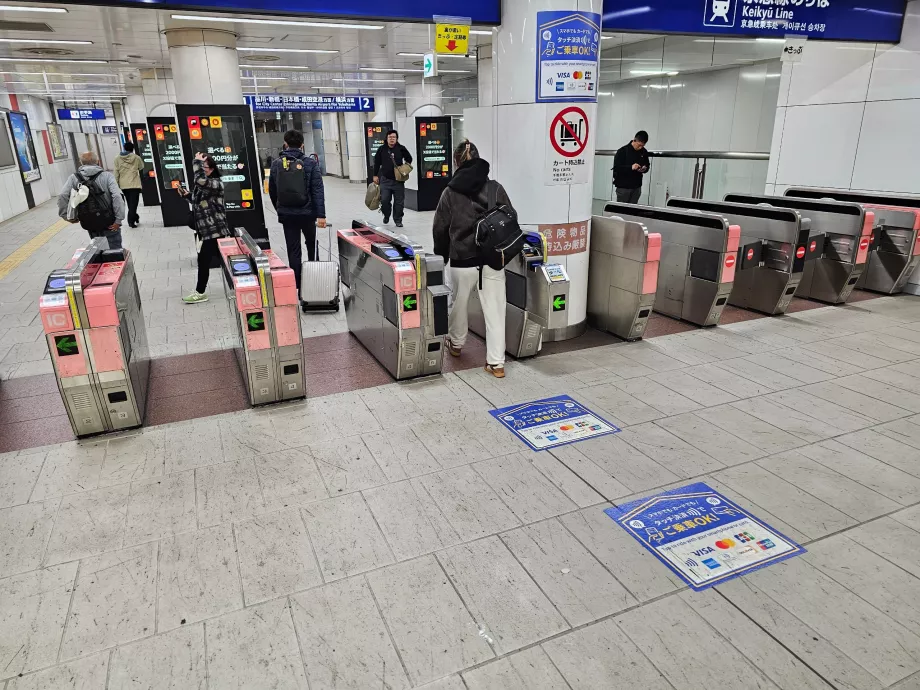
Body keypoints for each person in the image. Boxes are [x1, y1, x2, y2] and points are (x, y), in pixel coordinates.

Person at [433, 140, 513, 379]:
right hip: (492, 260)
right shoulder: (494, 188)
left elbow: (440, 227)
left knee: (458, 305)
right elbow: (511, 218)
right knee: (496, 311)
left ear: (457, 162)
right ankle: (496, 364)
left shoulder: (450, 191)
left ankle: (456, 345)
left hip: (462, 260)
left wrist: (442, 255)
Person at [268, 129, 327, 305]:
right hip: (307, 213)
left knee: (294, 250)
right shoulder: (310, 163)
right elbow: (317, 190)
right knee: (311, 245)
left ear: (285, 143)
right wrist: (321, 215)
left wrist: (280, 208)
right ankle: (313, 285)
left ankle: (298, 287)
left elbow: (273, 190)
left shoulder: (277, 163)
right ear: (302, 144)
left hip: (288, 215)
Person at [179, 153, 229, 304]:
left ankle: (200, 292)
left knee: (205, 260)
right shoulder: (204, 185)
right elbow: (197, 199)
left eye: (204, 167)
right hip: (206, 230)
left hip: (215, 230)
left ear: (212, 169)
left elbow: (200, 180)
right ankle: (248, 282)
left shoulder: (216, 183)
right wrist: (187, 195)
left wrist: (196, 162)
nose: (202, 170)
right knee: (224, 260)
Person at [57, 151, 126, 250]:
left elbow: (63, 196)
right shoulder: (107, 176)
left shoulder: (74, 178)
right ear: (97, 161)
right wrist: (118, 219)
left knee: (98, 250)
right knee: (115, 252)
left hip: (89, 221)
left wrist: (67, 216)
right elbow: (117, 196)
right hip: (109, 221)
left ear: (81, 162)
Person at [373, 129, 412, 228]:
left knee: (399, 202)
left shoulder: (401, 148)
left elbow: (409, 159)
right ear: (386, 138)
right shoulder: (382, 149)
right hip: (385, 180)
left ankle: (398, 220)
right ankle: (386, 215)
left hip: (398, 181)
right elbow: (377, 162)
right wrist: (375, 175)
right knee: (385, 200)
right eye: (390, 137)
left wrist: (404, 168)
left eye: (394, 137)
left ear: (396, 139)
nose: (392, 139)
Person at [613, 130, 651, 204]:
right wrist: (631, 167)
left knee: (632, 211)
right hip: (624, 187)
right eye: (639, 145)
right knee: (621, 210)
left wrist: (644, 169)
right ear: (634, 140)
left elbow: (647, 165)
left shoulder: (644, 152)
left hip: (636, 186)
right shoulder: (622, 151)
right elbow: (617, 168)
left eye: (642, 146)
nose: (640, 147)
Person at [114, 141, 144, 228]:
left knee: (130, 203)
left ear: (124, 148)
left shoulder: (117, 158)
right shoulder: (136, 157)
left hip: (124, 184)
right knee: (134, 204)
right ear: (132, 148)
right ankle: (131, 221)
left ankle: (135, 216)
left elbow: (116, 172)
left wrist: (116, 184)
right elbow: (141, 167)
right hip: (135, 184)